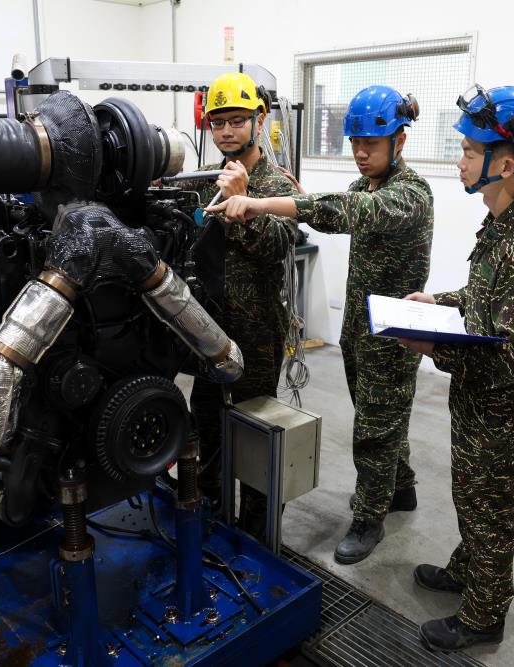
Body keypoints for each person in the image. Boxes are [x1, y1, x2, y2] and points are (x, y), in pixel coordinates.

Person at [206, 85, 434, 564]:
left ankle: (370, 518)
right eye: (354, 143)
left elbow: (349, 213)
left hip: (394, 334)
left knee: (374, 427)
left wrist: (264, 202)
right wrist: (302, 198)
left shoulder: (410, 194)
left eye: (371, 143)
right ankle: (403, 487)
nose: (361, 153)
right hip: (360, 325)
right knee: (387, 416)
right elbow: (336, 214)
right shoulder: (364, 186)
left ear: (401, 141)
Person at [398, 84, 514, 651]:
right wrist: (438, 306)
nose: (461, 160)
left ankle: (483, 616)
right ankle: (467, 571)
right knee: (473, 498)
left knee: (489, 509)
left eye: (470, 151)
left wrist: (431, 347)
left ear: (507, 162)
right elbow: (482, 298)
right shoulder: (502, 222)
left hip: (505, 412)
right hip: (481, 405)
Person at [177, 72, 298, 538]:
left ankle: (255, 531)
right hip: (210, 334)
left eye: (237, 121)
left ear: (259, 120)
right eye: (218, 123)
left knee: (254, 435)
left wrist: (244, 200)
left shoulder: (274, 183)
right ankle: (206, 513)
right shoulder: (208, 181)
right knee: (205, 428)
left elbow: (279, 243)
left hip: (256, 337)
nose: (226, 132)